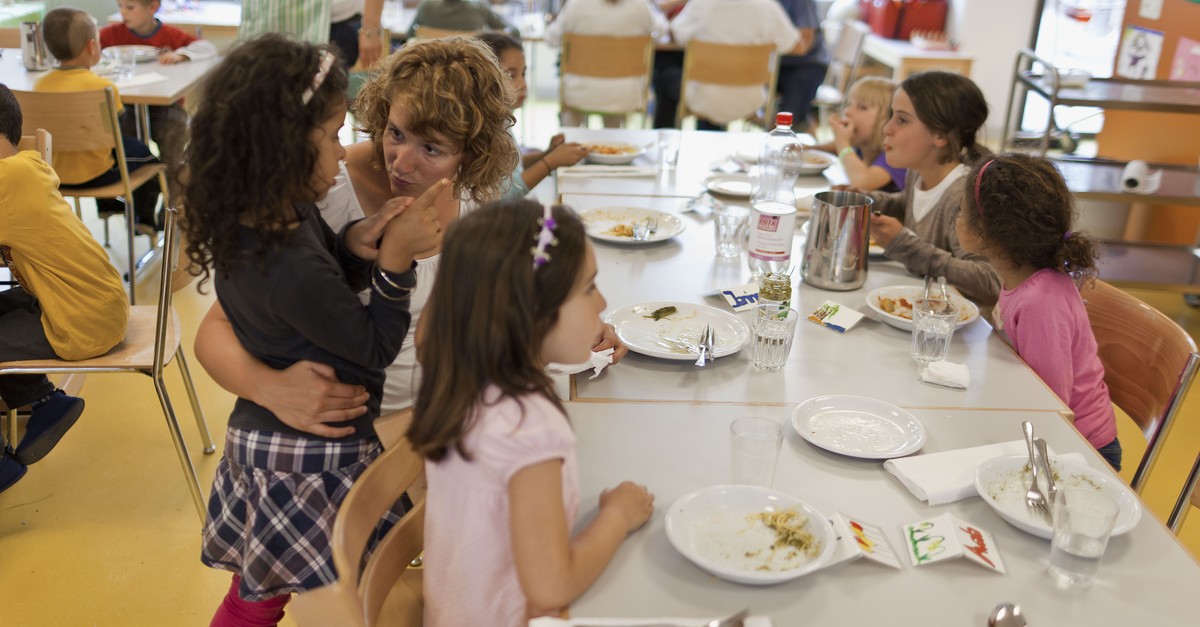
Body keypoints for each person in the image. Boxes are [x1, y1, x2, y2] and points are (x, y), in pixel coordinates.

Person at [180, 35, 443, 625]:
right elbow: (373, 346)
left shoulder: (275, 218)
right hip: (307, 456)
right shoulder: (288, 259)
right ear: (284, 149)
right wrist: (395, 265)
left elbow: (322, 276)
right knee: (316, 596)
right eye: (330, 136)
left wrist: (353, 243)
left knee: (262, 592)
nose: (342, 148)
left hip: (283, 443)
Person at [409, 200, 655, 625]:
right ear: (528, 313)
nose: (603, 301)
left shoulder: (460, 375)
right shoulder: (526, 426)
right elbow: (551, 585)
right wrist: (619, 515)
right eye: (587, 288)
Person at [0, 84, 129, 492]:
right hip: (87, 304)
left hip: (80, 319)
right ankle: (45, 401)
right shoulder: (21, 169)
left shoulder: (8, 178)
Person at [957, 153, 1121, 470]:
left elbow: (1050, 404)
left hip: (1082, 449)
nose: (958, 218)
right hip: (1047, 431)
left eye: (962, 212)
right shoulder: (1020, 277)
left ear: (982, 233)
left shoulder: (1041, 302)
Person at [865, 71, 1000, 307]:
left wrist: (904, 245)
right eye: (891, 116)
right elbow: (911, 204)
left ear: (940, 135)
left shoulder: (962, 195)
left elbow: (990, 281)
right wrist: (867, 201)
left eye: (902, 120)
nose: (887, 128)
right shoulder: (917, 172)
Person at [36, 6, 162, 231]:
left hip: (53, 175)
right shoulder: (103, 88)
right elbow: (113, 134)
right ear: (92, 46)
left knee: (100, 146)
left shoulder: (40, 86)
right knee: (150, 159)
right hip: (97, 174)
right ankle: (142, 220)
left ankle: (107, 205)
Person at [101, 0, 217, 182]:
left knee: (174, 131)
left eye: (130, 7)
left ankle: (172, 193)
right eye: (120, 6)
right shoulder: (111, 34)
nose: (123, 12)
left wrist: (182, 55)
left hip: (165, 107)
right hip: (126, 107)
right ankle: (144, 197)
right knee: (126, 142)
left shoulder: (170, 35)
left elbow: (207, 47)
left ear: (153, 7)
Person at [652, 0, 799, 130]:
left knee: (665, 68)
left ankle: (664, 138)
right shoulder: (768, 7)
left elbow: (677, 34)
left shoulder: (702, 4)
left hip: (703, 98)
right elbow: (791, 44)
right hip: (751, 99)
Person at [475, 31, 587, 199]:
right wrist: (550, 162)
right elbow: (506, 195)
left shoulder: (502, 120)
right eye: (511, 75)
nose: (522, 84)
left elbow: (513, 167)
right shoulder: (483, 130)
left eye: (524, 74)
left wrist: (547, 154)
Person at [543, 0, 667, 128]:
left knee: (575, 102)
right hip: (624, 94)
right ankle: (614, 141)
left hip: (581, 92)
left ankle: (569, 139)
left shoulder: (576, 4)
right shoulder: (640, 5)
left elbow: (551, 39)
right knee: (614, 98)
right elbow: (661, 31)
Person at [814, 76, 905, 192]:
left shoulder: (895, 157)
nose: (847, 111)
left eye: (862, 107)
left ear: (887, 119)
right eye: (849, 104)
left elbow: (862, 182)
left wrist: (842, 142)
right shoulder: (862, 146)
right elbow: (834, 147)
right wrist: (807, 147)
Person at [776, 0, 829, 133]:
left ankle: (801, 133)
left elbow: (804, 43)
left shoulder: (802, 2)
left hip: (807, 65)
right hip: (780, 64)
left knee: (791, 119)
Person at [406, 0, 520, 39]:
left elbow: (410, 33)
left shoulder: (426, 6)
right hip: (472, 76)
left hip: (430, 74)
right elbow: (513, 31)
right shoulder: (479, 7)